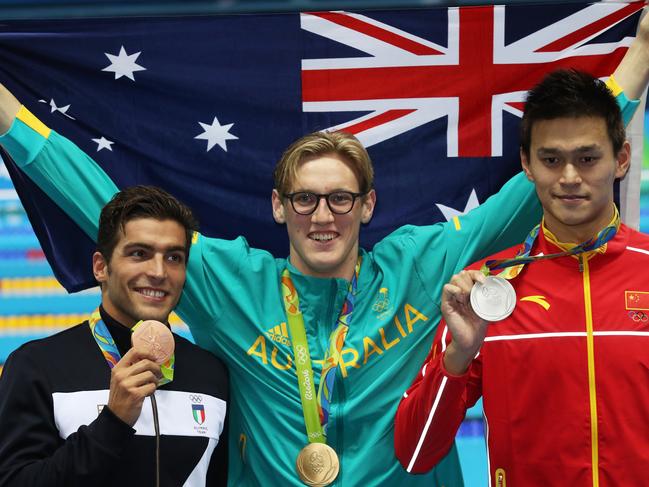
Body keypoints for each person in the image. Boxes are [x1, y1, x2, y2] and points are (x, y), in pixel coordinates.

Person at [0, 20, 647, 485]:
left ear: (367, 205)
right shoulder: (229, 281)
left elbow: (539, 180)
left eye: (340, 199)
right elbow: (97, 198)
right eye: (304, 199)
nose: (322, 216)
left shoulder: (421, 262)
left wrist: (637, 62)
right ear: (278, 206)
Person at [394, 68, 649, 485]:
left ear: (621, 159)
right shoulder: (485, 289)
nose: (569, 177)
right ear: (527, 165)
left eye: (587, 158)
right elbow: (415, 452)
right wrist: (458, 356)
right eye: (551, 159)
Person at [0, 186, 229, 486]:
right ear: (100, 267)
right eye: (139, 253)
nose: (159, 271)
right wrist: (113, 422)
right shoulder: (37, 366)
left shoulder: (211, 374)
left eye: (173, 257)